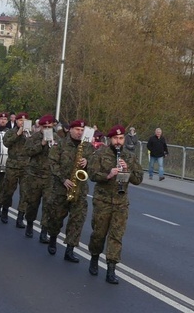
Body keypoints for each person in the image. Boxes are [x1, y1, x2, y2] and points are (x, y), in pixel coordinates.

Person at [87, 125, 143, 284]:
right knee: (98, 234)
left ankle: (111, 269)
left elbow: (138, 179)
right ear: (110, 139)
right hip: (102, 201)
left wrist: (128, 170)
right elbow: (91, 174)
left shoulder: (130, 157)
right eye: (115, 139)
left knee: (116, 236)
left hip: (121, 203)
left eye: (121, 138)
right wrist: (108, 174)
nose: (118, 142)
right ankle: (94, 258)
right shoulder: (100, 154)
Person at [46, 119, 94, 262]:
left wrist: (88, 162)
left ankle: (70, 249)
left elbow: (96, 164)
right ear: (70, 130)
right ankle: (53, 239)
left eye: (82, 130)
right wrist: (63, 179)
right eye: (77, 129)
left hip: (79, 189)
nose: (79, 132)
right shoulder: (60, 144)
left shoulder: (88, 147)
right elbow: (52, 163)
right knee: (56, 217)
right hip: (61, 188)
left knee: (77, 220)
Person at [23, 114, 56, 243]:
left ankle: (44, 232)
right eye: (45, 126)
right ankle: (30, 223)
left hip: (50, 177)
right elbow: (27, 151)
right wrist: (41, 144)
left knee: (48, 205)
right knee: (32, 203)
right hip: (34, 176)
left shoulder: (57, 138)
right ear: (40, 127)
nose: (47, 128)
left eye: (49, 126)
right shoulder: (34, 138)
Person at [0, 112, 30, 226]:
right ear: (16, 121)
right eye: (21, 120)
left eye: (25, 120)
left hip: (26, 166)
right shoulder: (10, 132)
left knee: (25, 192)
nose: (23, 122)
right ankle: (5, 211)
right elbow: (6, 143)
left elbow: (34, 148)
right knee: (9, 190)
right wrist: (18, 134)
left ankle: (20, 217)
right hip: (13, 165)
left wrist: (28, 136)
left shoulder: (30, 134)